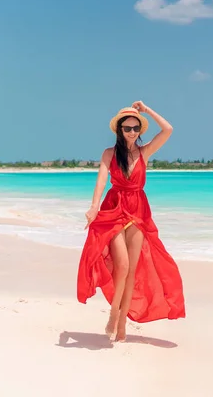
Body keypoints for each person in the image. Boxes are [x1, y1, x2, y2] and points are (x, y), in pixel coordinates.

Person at [76, 101, 185, 342]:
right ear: (119, 130)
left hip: (138, 209)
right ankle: (114, 314)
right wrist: (94, 207)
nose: (132, 132)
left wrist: (147, 110)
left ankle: (122, 323)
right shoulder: (109, 153)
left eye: (136, 128)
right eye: (127, 128)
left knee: (132, 271)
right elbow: (101, 181)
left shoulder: (144, 152)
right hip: (114, 208)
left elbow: (168, 130)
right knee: (122, 265)